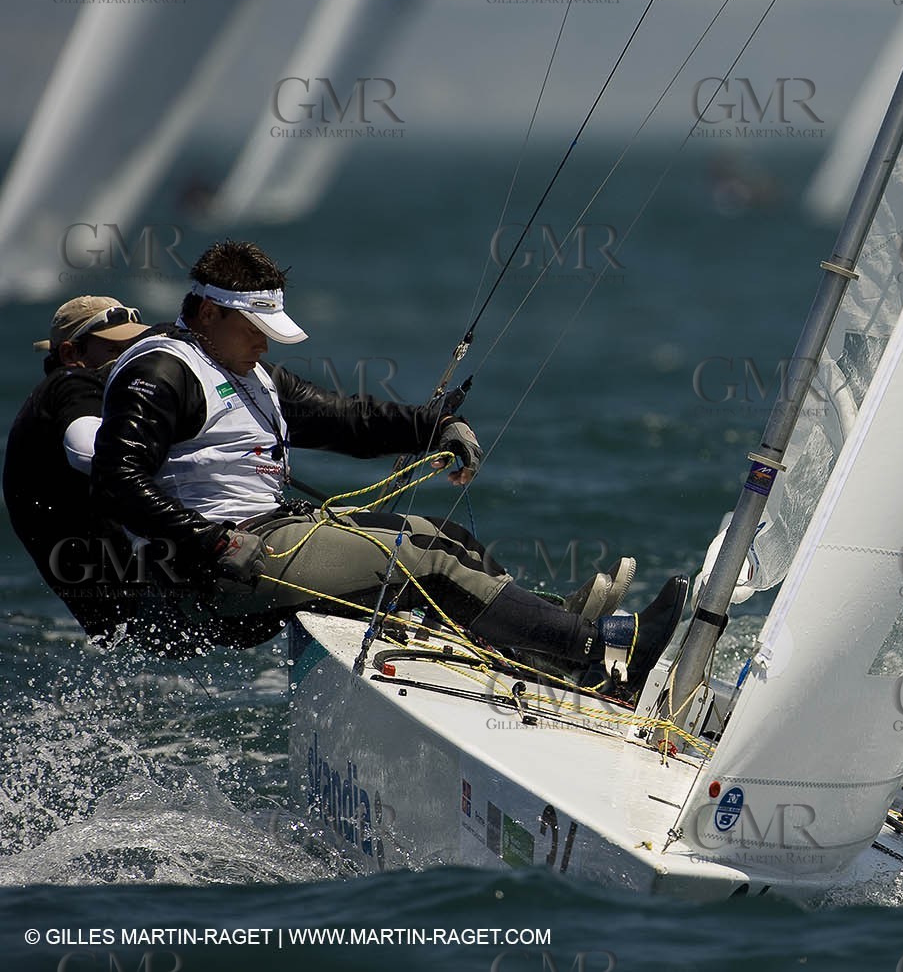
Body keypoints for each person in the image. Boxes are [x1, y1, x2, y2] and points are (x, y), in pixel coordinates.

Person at [91, 240, 683, 690]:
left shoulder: (247, 371)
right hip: (218, 567)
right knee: (427, 561)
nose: (265, 344)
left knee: (443, 537)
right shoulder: (162, 371)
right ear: (208, 314)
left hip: (263, 541)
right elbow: (116, 480)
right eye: (255, 330)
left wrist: (434, 428)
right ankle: (609, 659)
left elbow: (344, 418)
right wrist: (212, 542)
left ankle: (551, 642)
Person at [5, 296, 159, 641]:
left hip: (117, 607)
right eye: (115, 348)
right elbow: (91, 453)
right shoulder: (71, 385)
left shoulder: (55, 398)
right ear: (72, 354)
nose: (131, 358)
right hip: (133, 599)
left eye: (136, 345)